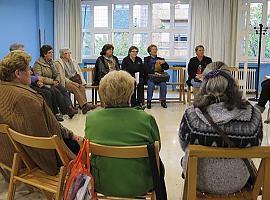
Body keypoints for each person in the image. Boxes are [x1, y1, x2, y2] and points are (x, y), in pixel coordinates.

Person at [179, 62, 263, 195]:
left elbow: (184, 146)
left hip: (200, 180)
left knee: (184, 158)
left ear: (204, 85)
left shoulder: (192, 116)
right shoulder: (253, 116)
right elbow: (256, 145)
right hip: (238, 180)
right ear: (232, 84)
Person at [0, 50, 81, 176]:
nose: (31, 73)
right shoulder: (28, 98)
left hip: (7, 153)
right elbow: (46, 134)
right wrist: (71, 135)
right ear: (17, 73)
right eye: (28, 69)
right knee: (76, 145)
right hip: (29, 158)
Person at [85, 71, 163, 197]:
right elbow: (157, 149)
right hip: (140, 183)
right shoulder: (146, 118)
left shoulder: (92, 119)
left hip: (102, 183)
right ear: (130, 93)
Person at [8, 43, 64, 121]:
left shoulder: (24, 63)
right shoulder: (12, 65)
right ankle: (50, 116)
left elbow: (32, 74)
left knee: (52, 90)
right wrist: (37, 78)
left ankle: (56, 113)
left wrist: (37, 80)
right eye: (22, 52)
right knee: (47, 93)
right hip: (24, 85)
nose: (25, 53)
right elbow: (27, 77)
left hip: (32, 82)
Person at [33, 45, 78, 118]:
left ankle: (70, 108)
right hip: (45, 84)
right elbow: (39, 77)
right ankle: (65, 111)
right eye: (49, 53)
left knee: (64, 90)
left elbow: (57, 73)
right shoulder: (38, 64)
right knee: (57, 93)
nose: (52, 54)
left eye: (52, 52)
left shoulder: (52, 62)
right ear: (44, 54)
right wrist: (52, 82)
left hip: (54, 82)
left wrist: (57, 80)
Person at [55, 48, 96, 114]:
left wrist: (83, 82)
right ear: (62, 55)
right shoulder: (58, 63)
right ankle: (84, 106)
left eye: (69, 53)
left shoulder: (73, 61)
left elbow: (78, 72)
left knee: (81, 87)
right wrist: (73, 83)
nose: (68, 54)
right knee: (75, 88)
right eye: (66, 53)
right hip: (65, 82)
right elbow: (62, 77)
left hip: (74, 79)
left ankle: (83, 106)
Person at [144, 44, 169, 109]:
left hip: (159, 78)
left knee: (163, 84)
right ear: (150, 51)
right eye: (153, 49)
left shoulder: (160, 59)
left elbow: (167, 68)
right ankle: (149, 101)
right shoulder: (146, 59)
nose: (155, 50)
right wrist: (154, 72)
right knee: (151, 85)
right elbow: (146, 69)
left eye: (155, 49)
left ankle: (163, 101)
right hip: (151, 77)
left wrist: (164, 63)